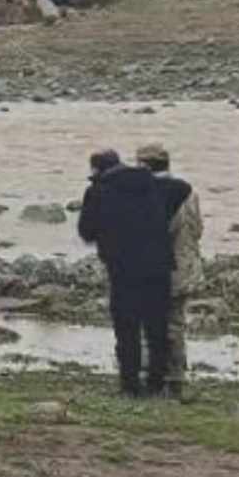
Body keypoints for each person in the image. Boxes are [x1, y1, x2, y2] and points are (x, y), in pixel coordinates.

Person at [78, 149, 174, 398]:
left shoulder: (98, 191)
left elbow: (86, 231)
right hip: (159, 266)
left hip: (123, 269)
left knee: (127, 329)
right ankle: (157, 384)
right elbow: (181, 191)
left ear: (97, 170)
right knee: (157, 329)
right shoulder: (151, 184)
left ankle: (130, 386)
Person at [136, 143, 203, 400]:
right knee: (176, 324)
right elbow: (197, 230)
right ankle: (176, 381)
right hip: (185, 269)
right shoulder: (188, 192)